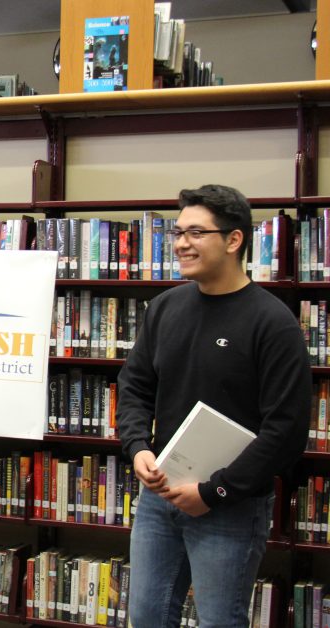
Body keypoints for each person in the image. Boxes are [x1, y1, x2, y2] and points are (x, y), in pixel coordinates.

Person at [116, 184, 311, 627]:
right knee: (146, 618)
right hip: (158, 498)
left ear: (234, 239)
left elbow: (286, 431)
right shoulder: (164, 309)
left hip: (230, 507)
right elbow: (134, 386)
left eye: (196, 233)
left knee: (220, 622)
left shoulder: (272, 323)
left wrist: (214, 491)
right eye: (178, 232)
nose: (182, 243)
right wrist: (137, 448)